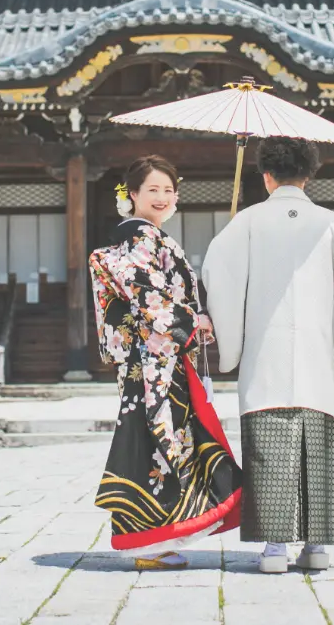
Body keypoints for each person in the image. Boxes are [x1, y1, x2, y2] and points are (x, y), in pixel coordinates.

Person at [201, 137, 334, 574]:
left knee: (269, 450)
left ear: (266, 176)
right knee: (318, 451)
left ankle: (274, 550)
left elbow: (215, 275)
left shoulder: (247, 222)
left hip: (266, 357)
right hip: (320, 360)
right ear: (308, 175)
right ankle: (317, 547)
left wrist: (221, 269)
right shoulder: (333, 224)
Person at [89, 155, 242, 570]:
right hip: (152, 361)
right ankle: (147, 543)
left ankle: (154, 538)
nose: (161, 197)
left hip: (158, 358)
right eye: (152, 190)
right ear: (132, 194)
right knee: (155, 440)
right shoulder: (139, 239)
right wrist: (194, 320)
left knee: (158, 440)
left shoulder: (148, 236)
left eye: (168, 190)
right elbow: (145, 294)